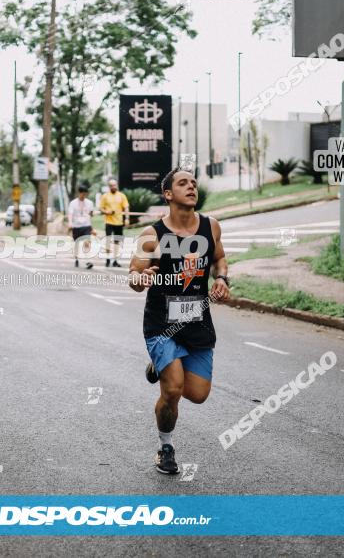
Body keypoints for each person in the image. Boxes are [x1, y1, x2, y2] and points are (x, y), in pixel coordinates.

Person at [128, 168, 229, 475]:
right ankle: (165, 447)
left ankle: (160, 365)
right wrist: (141, 277)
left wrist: (222, 278)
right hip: (161, 322)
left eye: (194, 183)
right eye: (183, 183)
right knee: (172, 390)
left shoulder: (211, 227)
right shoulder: (152, 235)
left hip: (196, 320)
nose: (191, 186)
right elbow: (133, 276)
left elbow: (219, 259)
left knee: (197, 394)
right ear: (168, 194)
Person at [99, 178, 129, 267]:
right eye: (111, 185)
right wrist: (106, 212)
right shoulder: (105, 196)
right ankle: (107, 259)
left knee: (117, 242)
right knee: (108, 241)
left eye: (115, 185)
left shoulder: (121, 195)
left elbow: (126, 207)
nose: (113, 187)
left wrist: (127, 218)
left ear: (117, 185)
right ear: (109, 187)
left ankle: (115, 260)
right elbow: (101, 208)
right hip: (109, 222)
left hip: (119, 223)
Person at [67, 184, 95, 269]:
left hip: (86, 225)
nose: (84, 196)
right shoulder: (73, 203)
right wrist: (70, 222)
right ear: (79, 193)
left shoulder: (90, 203)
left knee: (87, 243)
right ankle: (77, 259)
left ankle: (88, 261)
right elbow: (70, 214)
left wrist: (91, 218)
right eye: (82, 194)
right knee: (77, 244)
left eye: (85, 194)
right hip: (76, 226)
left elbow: (91, 214)